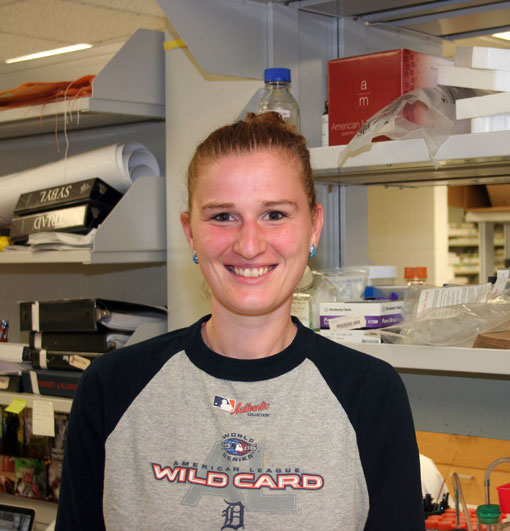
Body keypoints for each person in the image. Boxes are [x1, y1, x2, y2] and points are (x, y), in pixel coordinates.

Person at [55, 112, 424, 530]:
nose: (249, 245)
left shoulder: (370, 393)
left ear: (314, 226)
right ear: (190, 233)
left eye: (275, 214)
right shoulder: (112, 387)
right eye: (222, 216)